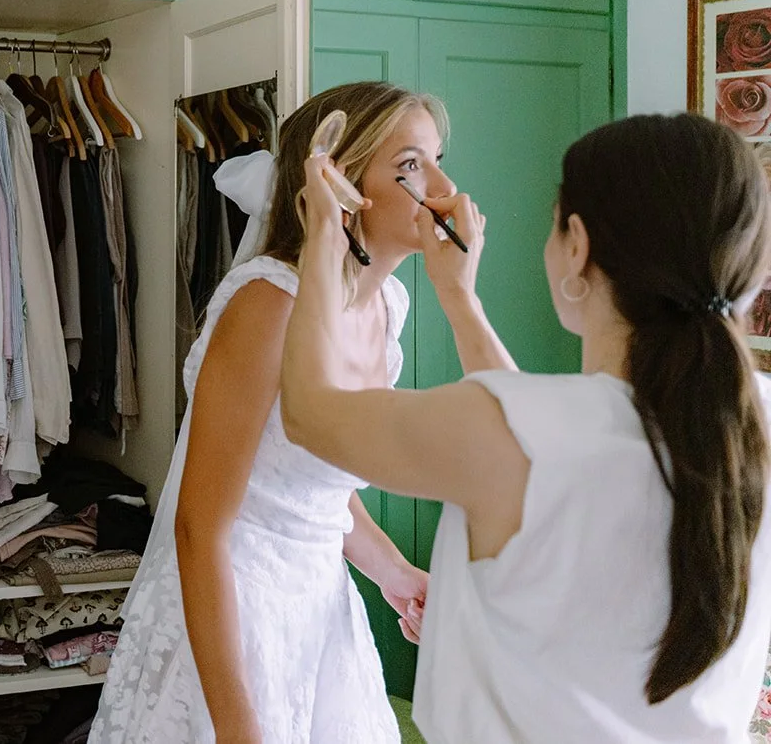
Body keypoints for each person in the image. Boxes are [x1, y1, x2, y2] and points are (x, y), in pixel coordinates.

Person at [280, 111, 771, 742]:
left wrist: (323, 234)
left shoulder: (513, 434)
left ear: (578, 246)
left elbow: (307, 410)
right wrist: (458, 298)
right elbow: (530, 435)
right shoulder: (750, 416)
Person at [94, 81, 463, 743]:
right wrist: (238, 725)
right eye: (409, 165)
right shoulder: (270, 306)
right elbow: (199, 527)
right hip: (236, 614)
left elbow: (312, 489)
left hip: (322, 616)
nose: (440, 184)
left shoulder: (389, 308)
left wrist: (396, 573)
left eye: (435, 158)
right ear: (342, 186)